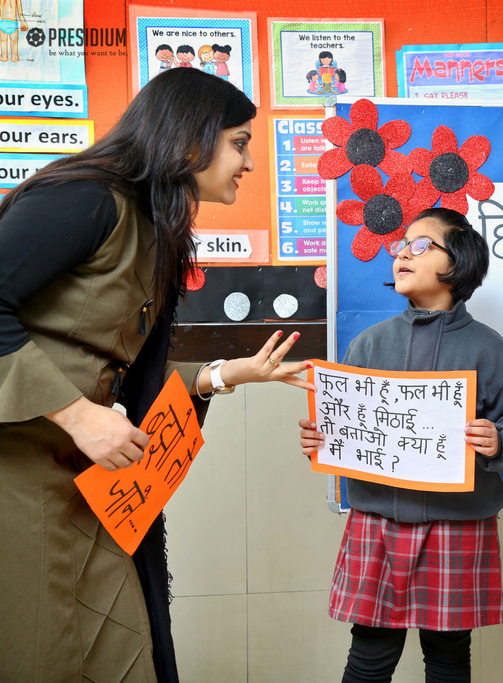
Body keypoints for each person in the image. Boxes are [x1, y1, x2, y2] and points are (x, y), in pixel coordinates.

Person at [0, 68, 313, 683]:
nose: (249, 162)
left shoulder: (155, 228)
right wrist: (76, 413)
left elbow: (118, 374)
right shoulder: (86, 198)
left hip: (87, 487)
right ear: (190, 138)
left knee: (127, 650)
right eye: (240, 142)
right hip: (21, 478)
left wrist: (227, 374)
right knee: (41, 654)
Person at [299, 208, 503, 683]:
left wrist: (498, 441)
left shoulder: (490, 349)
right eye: (400, 245)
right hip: (377, 521)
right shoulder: (369, 345)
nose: (401, 254)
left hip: (458, 524)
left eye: (420, 245)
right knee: (369, 652)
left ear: (458, 264)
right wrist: (323, 438)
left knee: (449, 654)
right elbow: (348, 425)